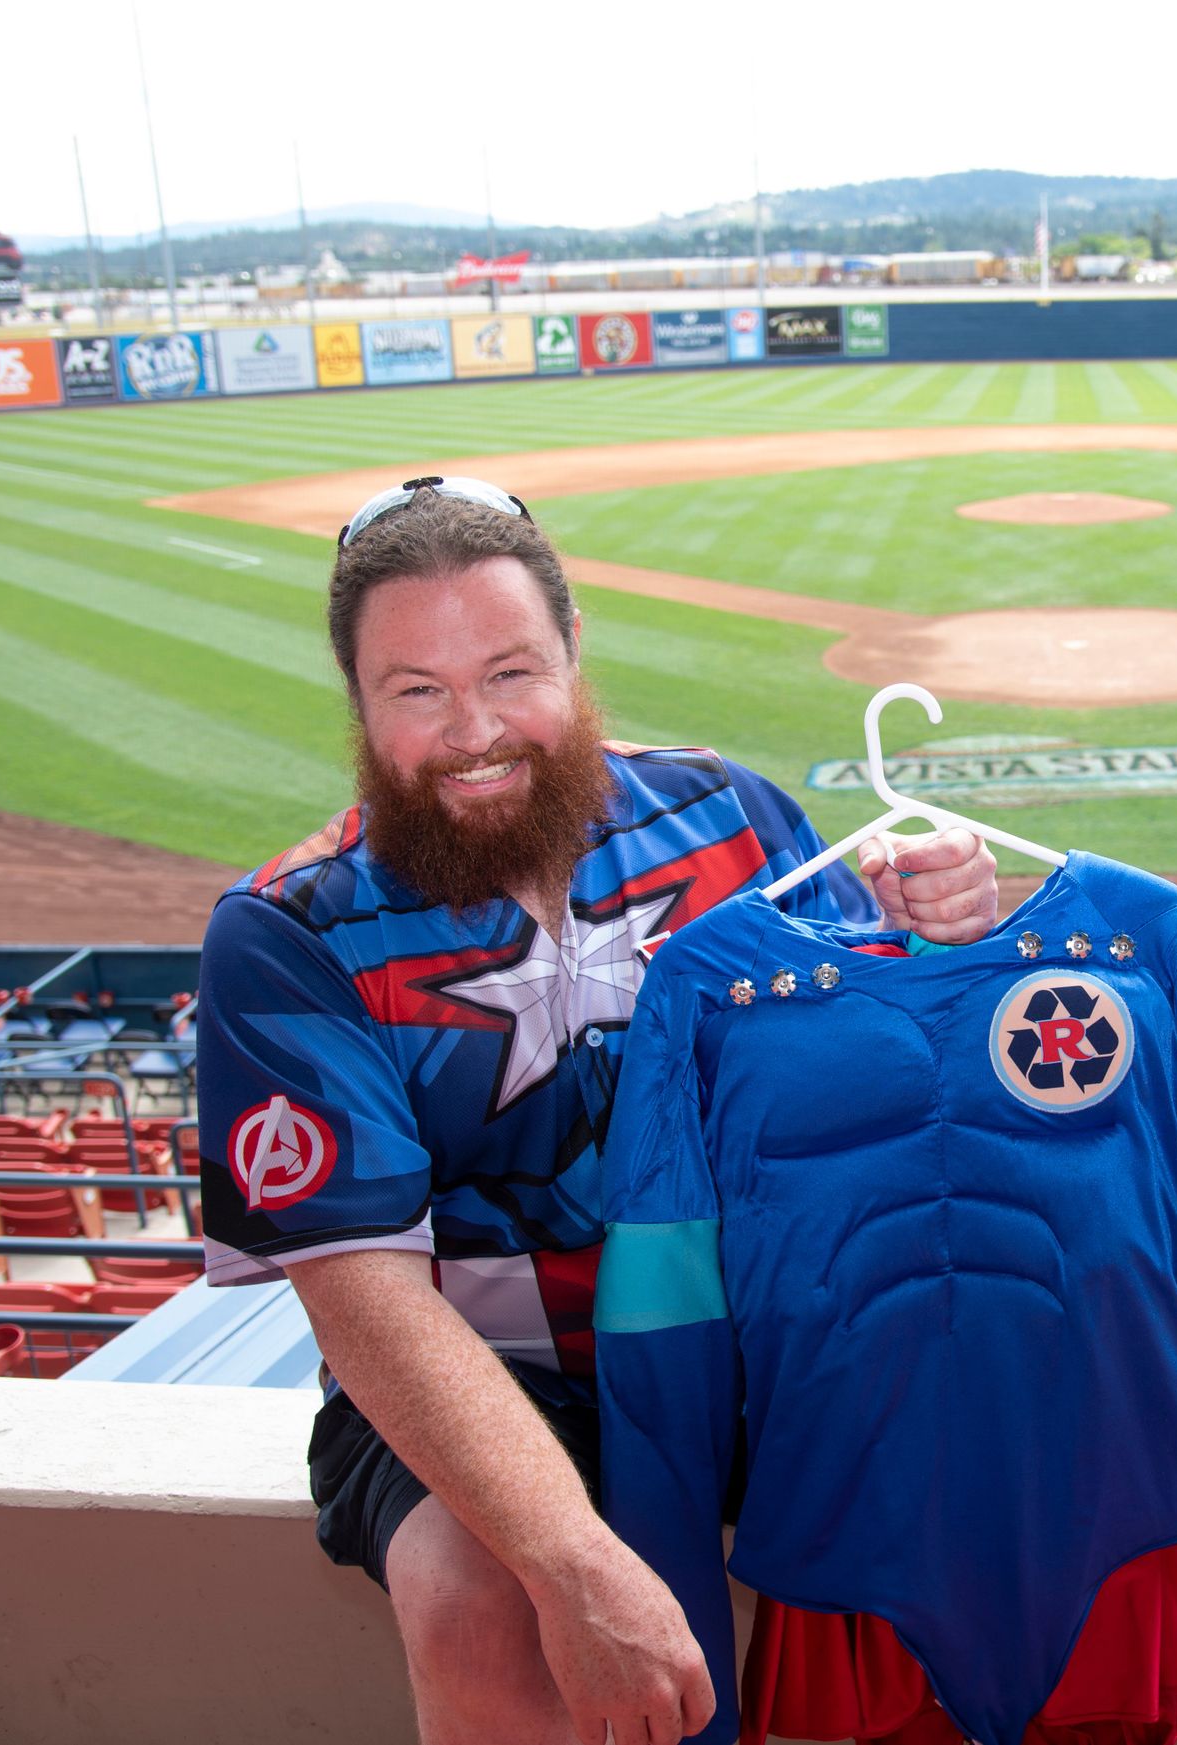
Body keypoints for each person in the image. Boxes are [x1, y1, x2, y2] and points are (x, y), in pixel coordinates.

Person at [193, 476, 1000, 1745]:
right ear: (358, 704)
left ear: (574, 656)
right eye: (417, 690)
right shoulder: (288, 930)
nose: (474, 730)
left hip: (746, 1340)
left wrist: (943, 938)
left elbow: (876, 1096)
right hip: (486, 1370)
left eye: (511, 672)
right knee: (477, 1598)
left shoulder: (730, 813)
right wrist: (572, 1560)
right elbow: (366, 1304)